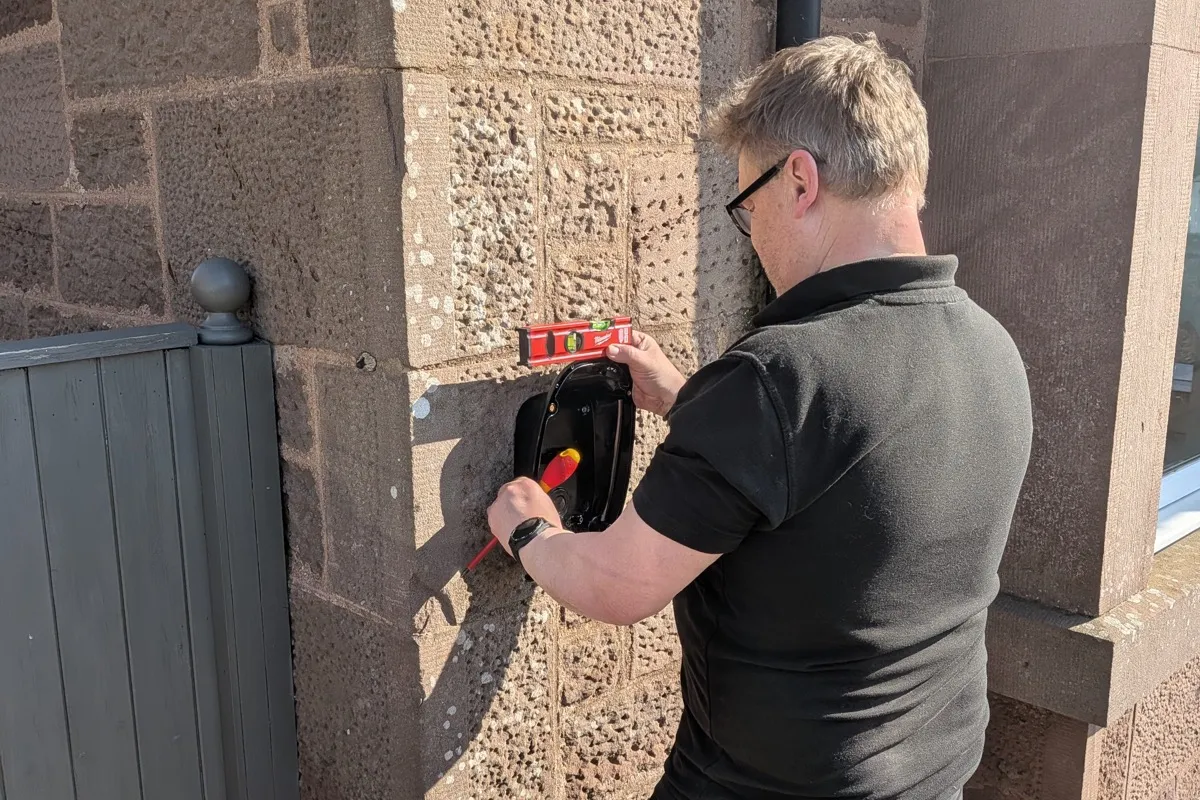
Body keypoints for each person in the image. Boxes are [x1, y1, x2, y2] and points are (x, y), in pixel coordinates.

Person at [487, 33, 1032, 800]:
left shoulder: (779, 376)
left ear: (800, 182)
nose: (754, 233)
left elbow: (617, 585)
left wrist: (528, 527)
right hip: (931, 768)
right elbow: (848, 469)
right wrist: (690, 400)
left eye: (748, 203)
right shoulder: (989, 345)